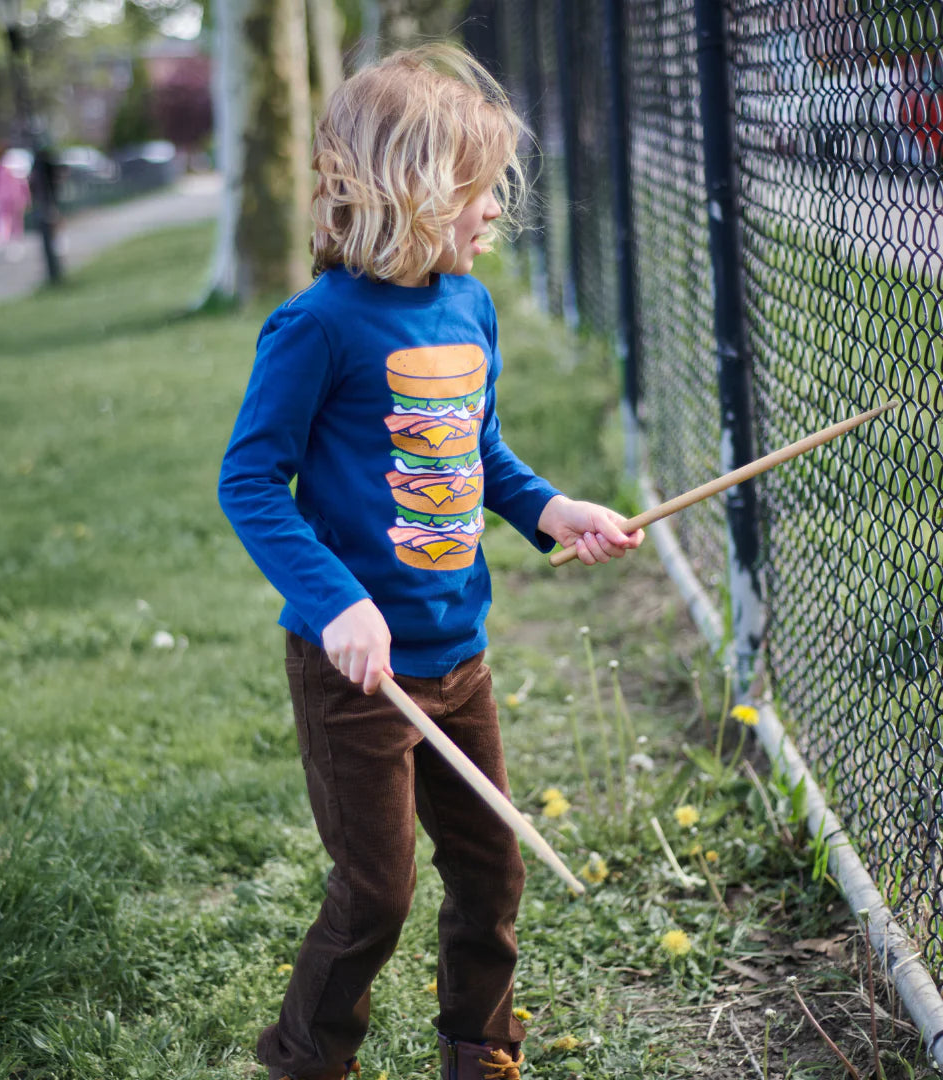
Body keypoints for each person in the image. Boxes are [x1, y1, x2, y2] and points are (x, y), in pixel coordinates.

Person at [218, 43, 644, 1080]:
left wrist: (553, 510)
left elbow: (476, 451)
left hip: (458, 654)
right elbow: (248, 482)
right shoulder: (316, 328)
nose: (498, 203)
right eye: (478, 185)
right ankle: (305, 1058)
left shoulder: (470, 307)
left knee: (494, 866)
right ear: (408, 191)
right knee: (378, 890)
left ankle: (478, 1049)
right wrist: (335, 603)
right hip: (360, 674)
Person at [0, 144, 31, 260]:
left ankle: (14, 246)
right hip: (3, 202)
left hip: (12, 201)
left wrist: (25, 198)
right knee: (6, 223)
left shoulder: (10, 169)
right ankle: (8, 244)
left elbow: (21, 185)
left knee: (14, 224)